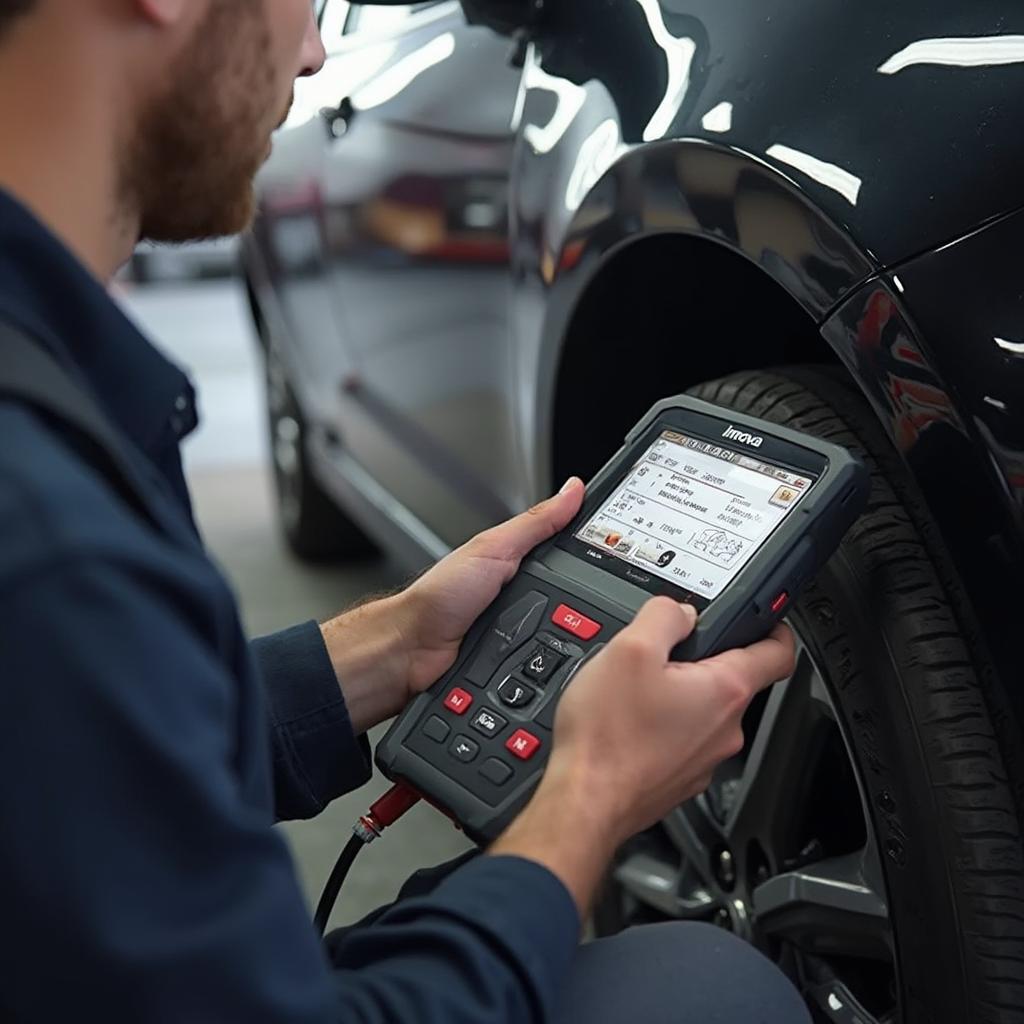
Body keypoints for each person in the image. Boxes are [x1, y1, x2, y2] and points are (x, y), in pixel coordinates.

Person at [0, 1, 810, 1021]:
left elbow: (81, 769)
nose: (315, 49)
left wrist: (392, 646)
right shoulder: (43, 526)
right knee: (709, 988)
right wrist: (589, 795)